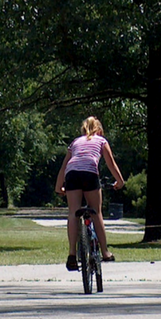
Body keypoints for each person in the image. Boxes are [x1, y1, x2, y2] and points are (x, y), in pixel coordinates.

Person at [54, 116, 125, 271]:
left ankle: (72, 254)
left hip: (72, 174)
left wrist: (59, 187)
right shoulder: (101, 141)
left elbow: (64, 166)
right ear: (99, 130)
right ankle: (105, 252)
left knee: (73, 213)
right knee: (96, 212)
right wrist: (120, 181)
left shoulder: (75, 142)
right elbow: (111, 163)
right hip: (89, 173)